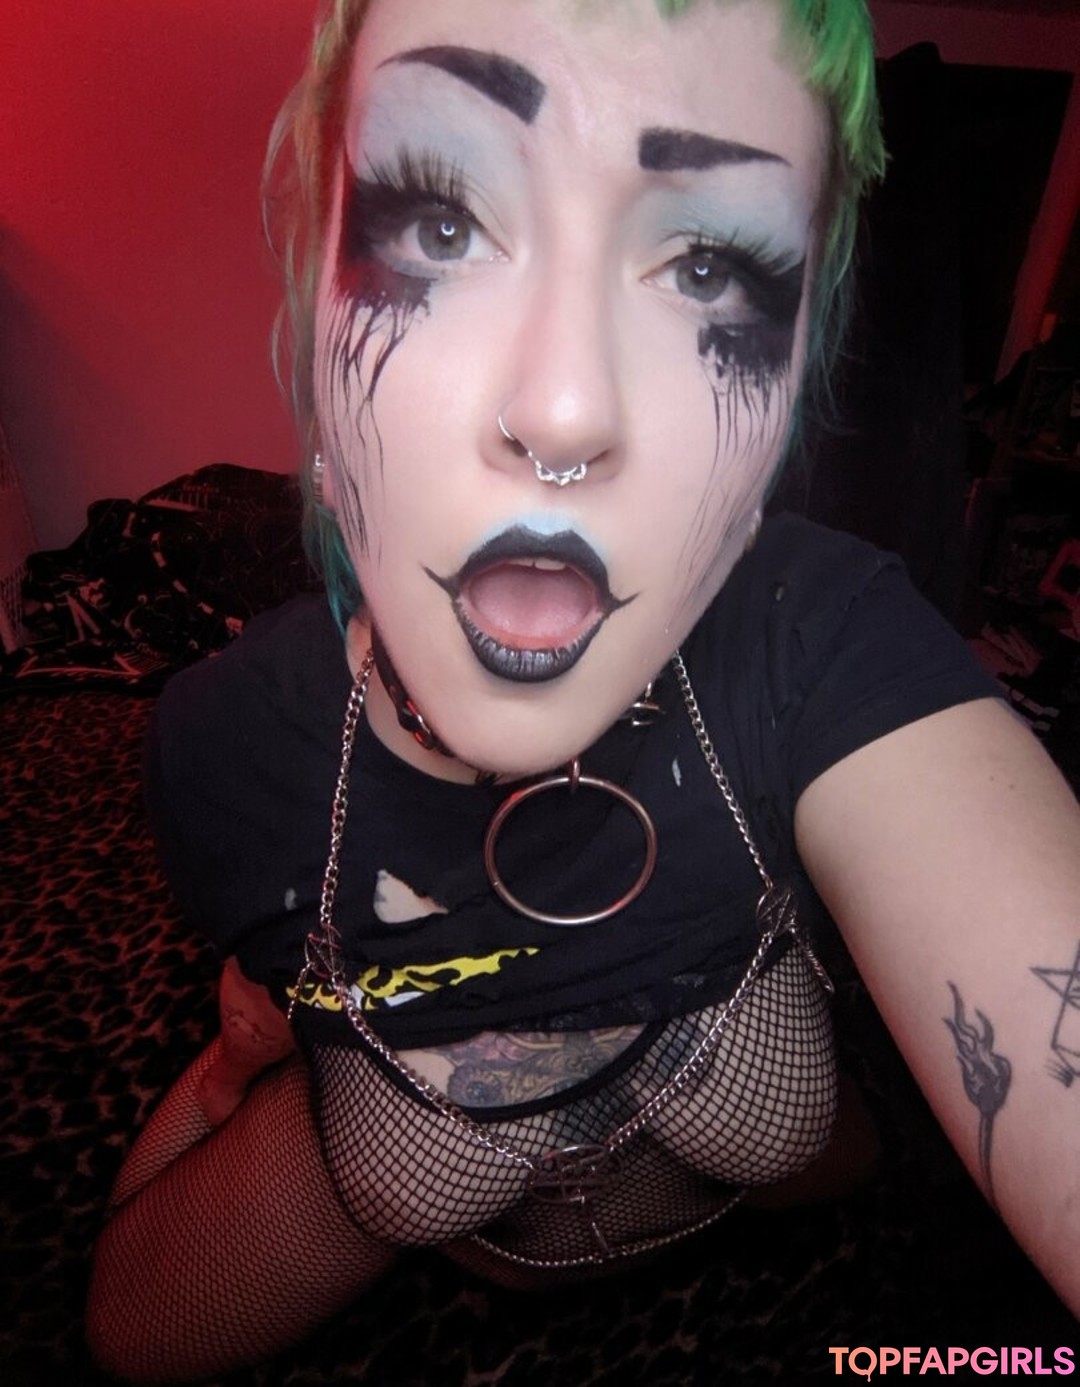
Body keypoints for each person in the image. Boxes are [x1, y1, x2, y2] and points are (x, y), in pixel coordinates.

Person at [86, 0, 1080, 1379]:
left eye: (708, 267)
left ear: (798, 376)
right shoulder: (221, 749)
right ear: (314, 287)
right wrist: (239, 1058)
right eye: (442, 223)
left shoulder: (826, 640)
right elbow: (127, 1331)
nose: (564, 410)